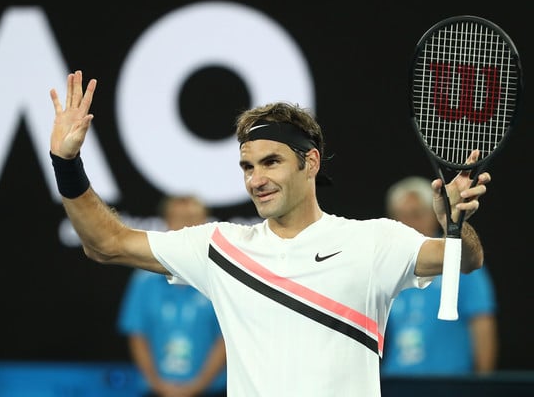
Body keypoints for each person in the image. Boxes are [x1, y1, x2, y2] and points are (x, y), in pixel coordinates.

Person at [49, 70, 491, 396]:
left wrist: (458, 226)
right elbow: (106, 244)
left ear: (311, 162)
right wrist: (66, 165)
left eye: (271, 162)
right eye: (247, 166)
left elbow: (466, 260)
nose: (255, 178)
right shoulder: (221, 248)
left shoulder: (373, 242)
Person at [381, 176, 498, 376]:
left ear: (433, 215)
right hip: (395, 382)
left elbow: (482, 324)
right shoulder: (386, 264)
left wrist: (482, 387)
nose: (407, 223)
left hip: (449, 384)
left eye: (416, 214)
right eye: (400, 216)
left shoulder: (459, 259)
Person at [116, 195, 227, 397]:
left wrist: (197, 386)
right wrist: (157, 385)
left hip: (212, 390)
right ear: (166, 223)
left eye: (192, 219)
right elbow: (137, 335)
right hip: (156, 391)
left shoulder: (222, 277)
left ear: (205, 224)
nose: (186, 226)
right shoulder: (144, 280)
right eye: (179, 219)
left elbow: (227, 337)